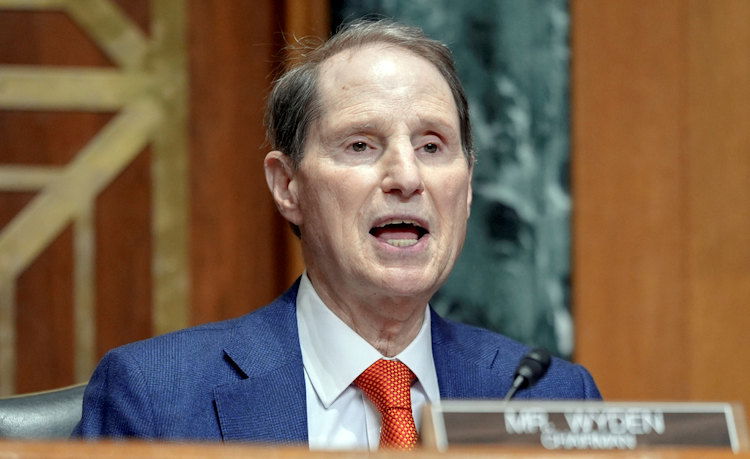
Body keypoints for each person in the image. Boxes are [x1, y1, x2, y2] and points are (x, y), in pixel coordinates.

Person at [73, 19, 600, 450]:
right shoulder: (157, 397)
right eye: (361, 146)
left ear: (466, 188)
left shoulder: (547, 398)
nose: (407, 178)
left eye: (433, 146)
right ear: (288, 186)